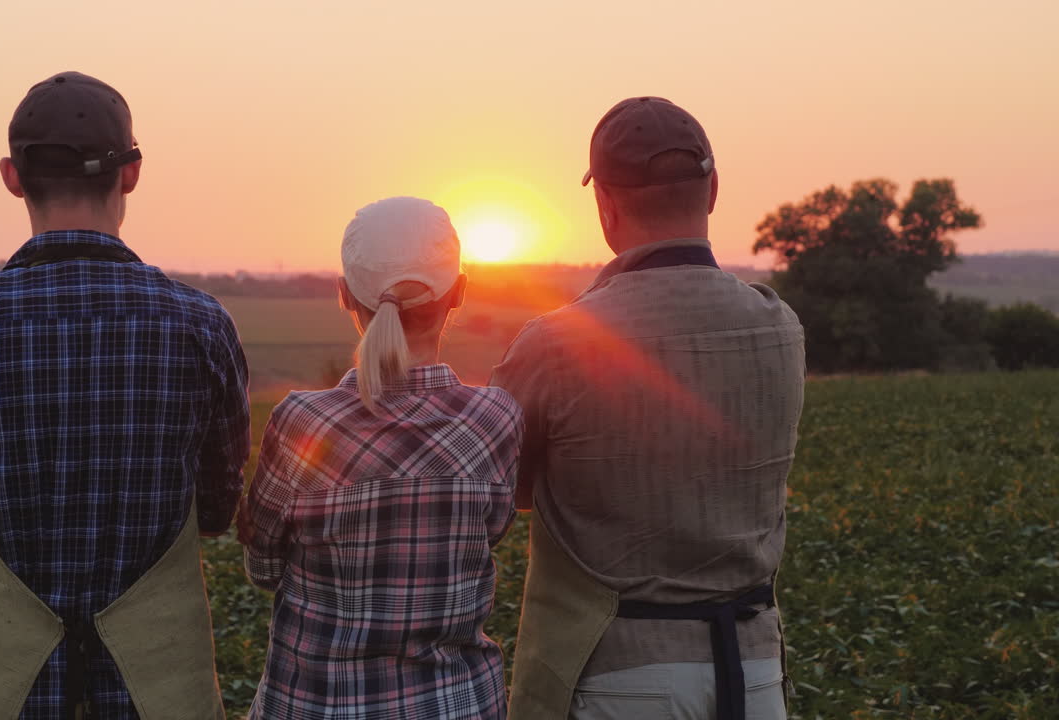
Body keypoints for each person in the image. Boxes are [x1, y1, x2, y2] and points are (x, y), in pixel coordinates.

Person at [0, 71, 249, 720]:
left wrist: (4, 504)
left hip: (7, 697)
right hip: (160, 695)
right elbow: (216, 511)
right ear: (132, 172)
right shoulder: (201, 326)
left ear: (11, 176)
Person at [493, 97, 806, 720]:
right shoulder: (780, 326)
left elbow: (508, 490)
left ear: (604, 206)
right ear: (713, 188)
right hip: (755, 675)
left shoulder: (557, 343)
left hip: (615, 673)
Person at [237, 196, 522, 719]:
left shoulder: (304, 422)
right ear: (458, 293)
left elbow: (262, 565)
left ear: (346, 296)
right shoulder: (494, 420)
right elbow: (494, 531)